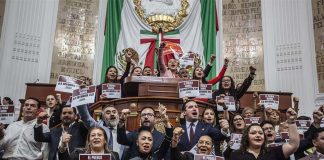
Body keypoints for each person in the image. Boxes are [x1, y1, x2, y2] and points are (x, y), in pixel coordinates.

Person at [229, 108, 299, 160]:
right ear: (246, 137)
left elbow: (293, 145)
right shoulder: (236, 155)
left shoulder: (273, 152)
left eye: (260, 133)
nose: (258, 135)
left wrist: (291, 121)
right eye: (253, 133)